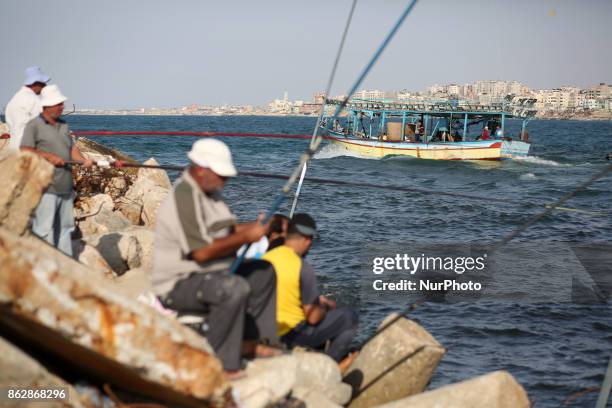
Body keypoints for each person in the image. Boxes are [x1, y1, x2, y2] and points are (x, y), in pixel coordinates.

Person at [153, 138, 279, 377]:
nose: (225, 181)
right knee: (233, 288)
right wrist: (247, 237)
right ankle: (221, 363)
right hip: (179, 283)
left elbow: (228, 231)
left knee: (264, 272)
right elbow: (200, 252)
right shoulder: (185, 197)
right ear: (201, 169)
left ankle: (252, 342)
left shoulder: (210, 193)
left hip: (212, 273)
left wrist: (258, 227)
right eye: (221, 175)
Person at [263, 213, 358, 365]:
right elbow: (313, 317)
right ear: (307, 240)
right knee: (349, 316)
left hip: (264, 331)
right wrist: (325, 307)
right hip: (290, 335)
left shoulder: (266, 258)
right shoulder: (302, 267)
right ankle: (330, 366)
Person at [20, 85, 93, 257]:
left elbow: (72, 148)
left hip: (65, 186)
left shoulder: (63, 125)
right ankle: (42, 269)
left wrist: (83, 160)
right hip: (46, 187)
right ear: (47, 106)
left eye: (62, 104)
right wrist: (49, 157)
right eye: (58, 104)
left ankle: (64, 267)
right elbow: (25, 150)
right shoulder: (34, 126)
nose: (62, 107)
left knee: (66, 229)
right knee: (43, 230)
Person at [5, 67, 51, 151]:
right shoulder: (33, 100)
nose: (45, 86)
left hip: (13, 148)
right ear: (36, 83)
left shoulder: (14, 100)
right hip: (28, 150)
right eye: (43, 84)